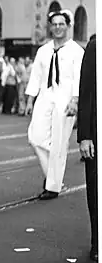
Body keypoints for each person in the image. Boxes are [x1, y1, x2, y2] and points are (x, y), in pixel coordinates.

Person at [25, 10, 85, 199]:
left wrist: (75, 100)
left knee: (59, 142)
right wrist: (29, 100)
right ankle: (53, 175)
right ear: (50, 27)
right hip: (45, 96)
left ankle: (52, 186)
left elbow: (79, 78)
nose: (58, 27)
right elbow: (36, 76)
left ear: (68, 26)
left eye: (61, 24)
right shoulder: (43, 51)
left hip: (65, 100)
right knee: (35, 137)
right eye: (54, 24)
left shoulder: (77, 51)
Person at [77, 34, 97, 261]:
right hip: (96, 133)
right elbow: (86, 92)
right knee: (96, 189)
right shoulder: (95, 46)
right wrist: (84, 137)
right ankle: (97, 243)